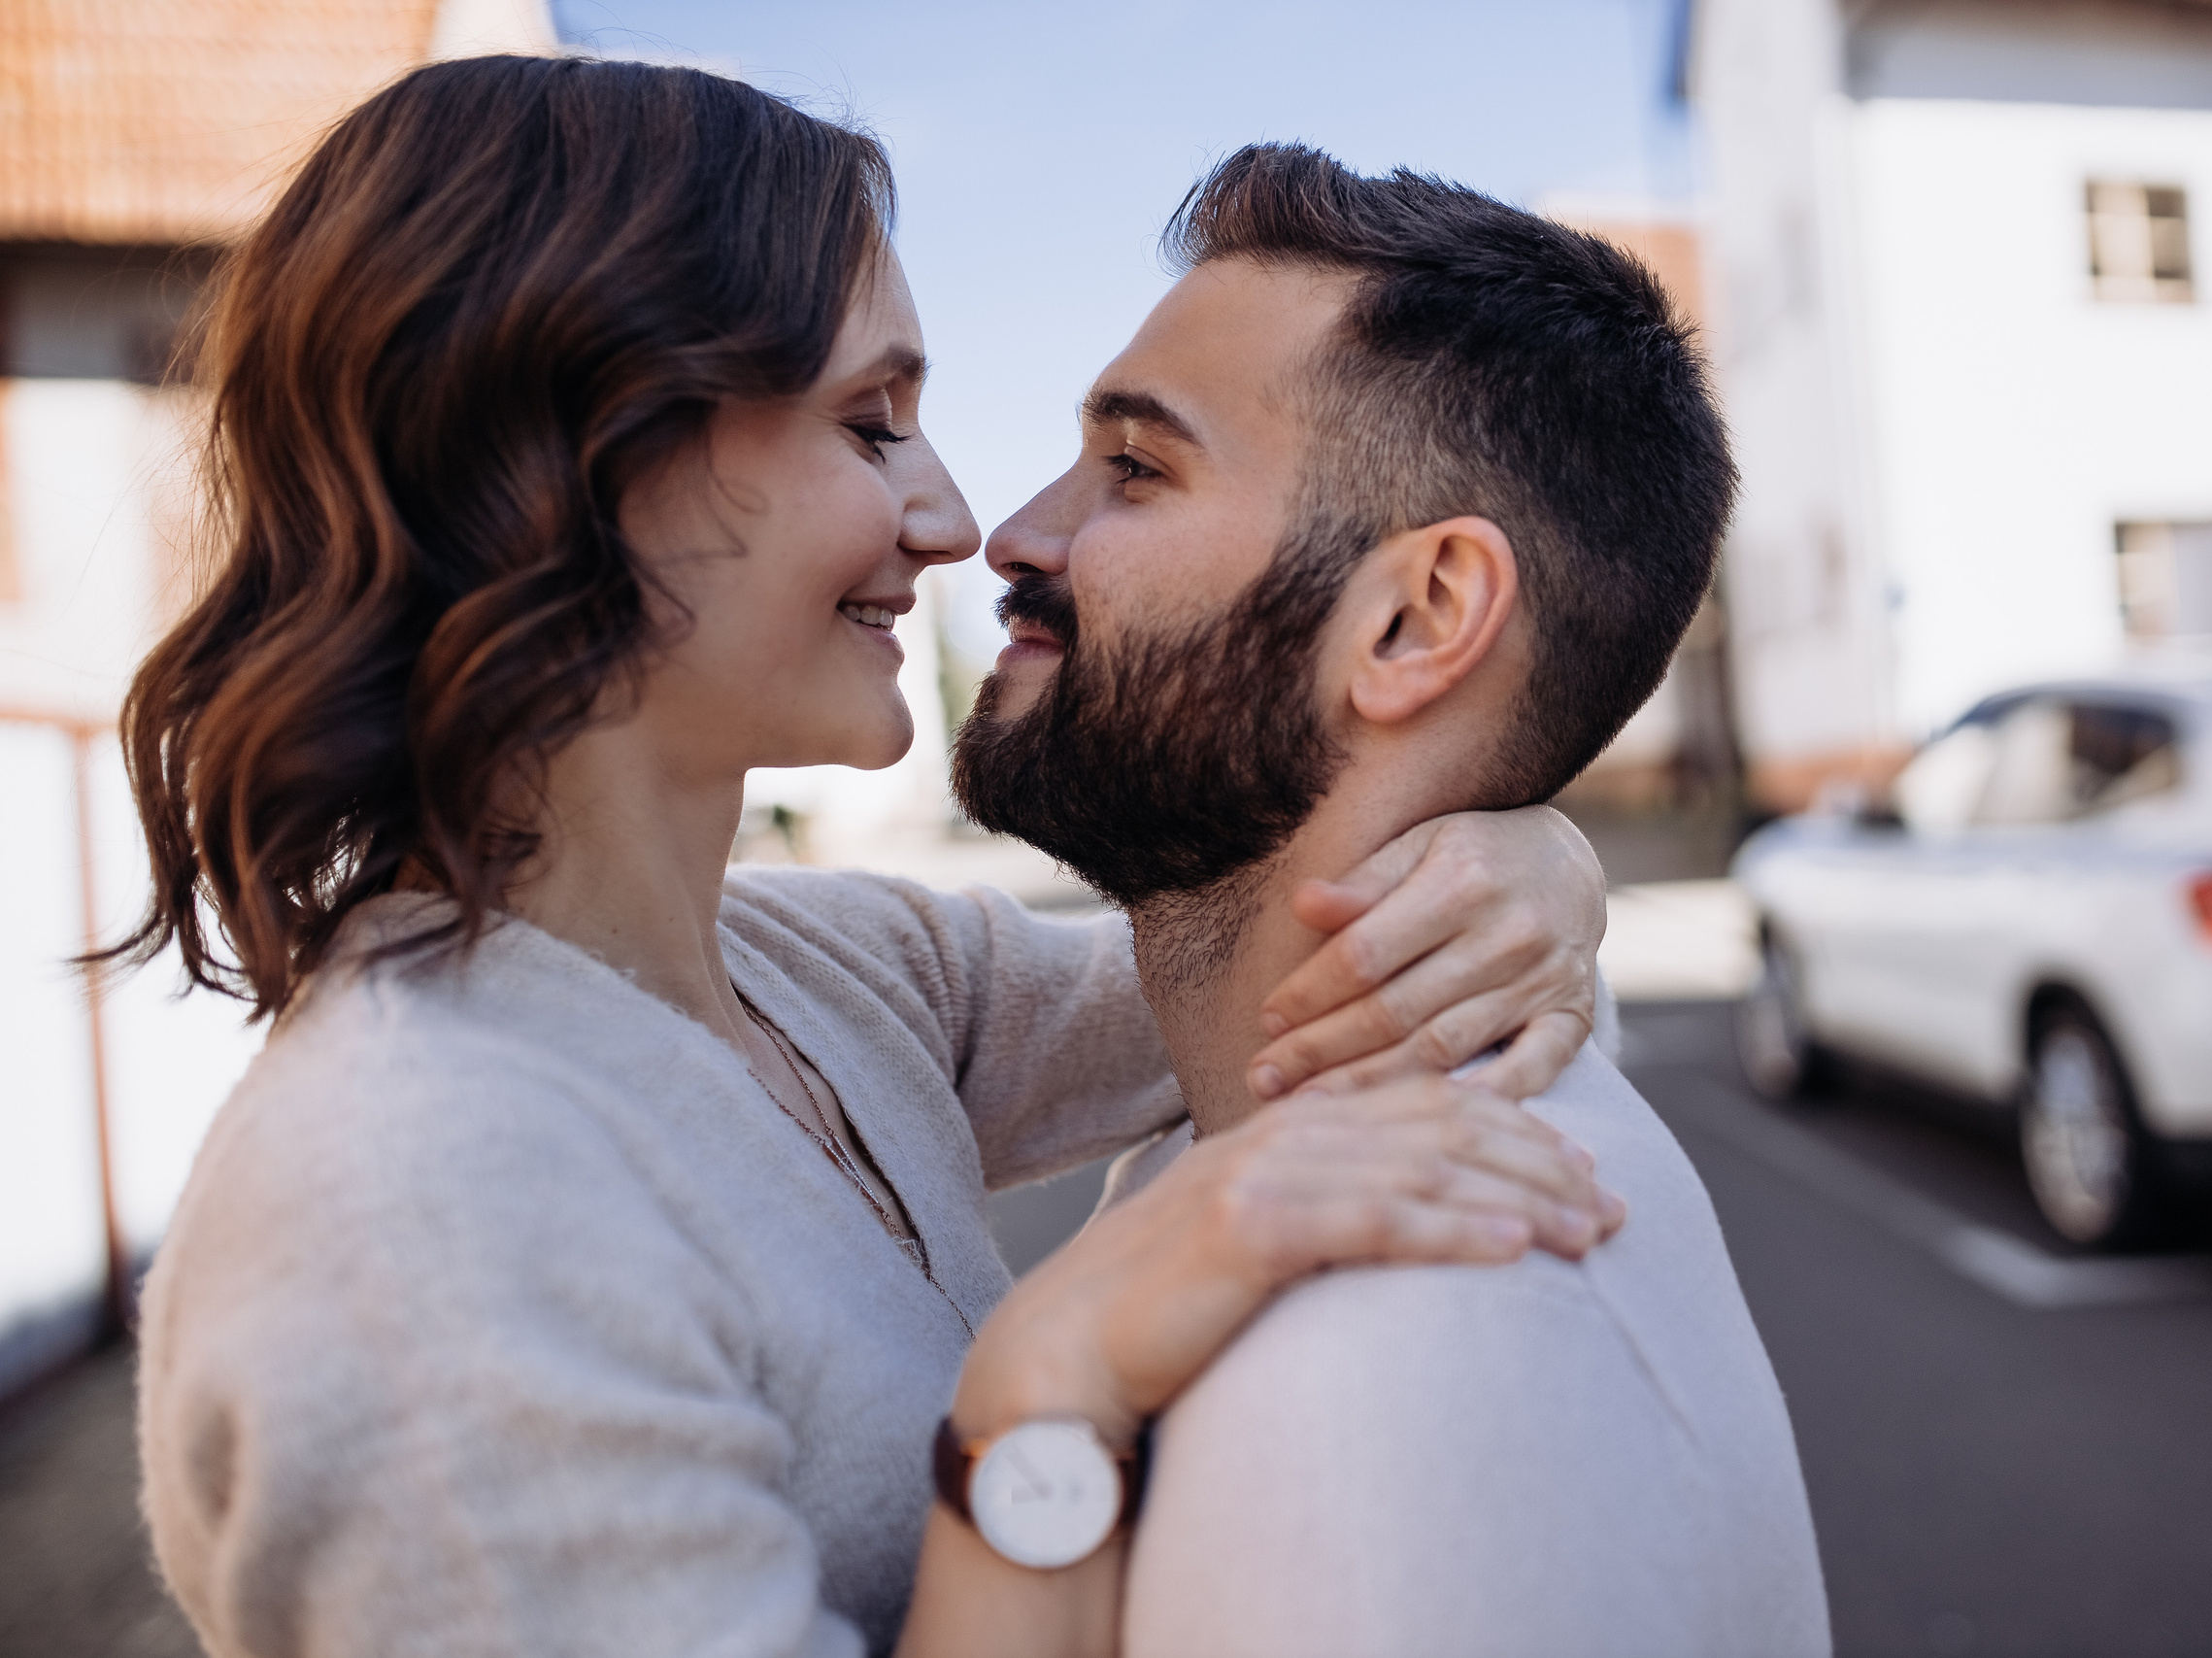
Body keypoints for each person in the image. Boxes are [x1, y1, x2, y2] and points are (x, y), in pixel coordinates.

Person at [120, 62, 1629, 1658]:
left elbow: (1270, 981)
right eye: (869, 425)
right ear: (575, 459)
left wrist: (1528, 849)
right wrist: (1049, 1386)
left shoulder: (822, 977)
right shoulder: (409, 1206)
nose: (955, 519)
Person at [952, 145, 1831, 1657]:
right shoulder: (1275, 1134)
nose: (1013, 535)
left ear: (1419, 619)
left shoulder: (1360, 1390)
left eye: (1137, 468)